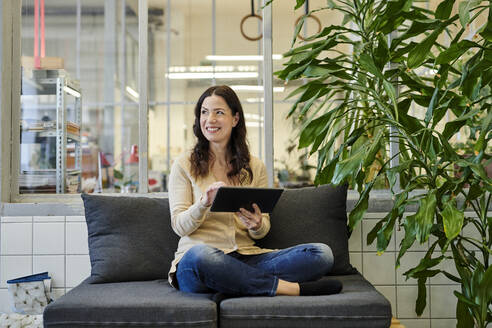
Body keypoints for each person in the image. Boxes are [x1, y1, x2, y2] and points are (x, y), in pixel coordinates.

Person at [168, 85, 342, 296]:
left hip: (247, 257)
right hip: (198, 262)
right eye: (204, 112)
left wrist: (257, 225)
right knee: (202, 256)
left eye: (219, 112)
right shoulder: (184, 164)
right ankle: (288, 288)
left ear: (235, 119)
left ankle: (235, 283)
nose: (210, 119)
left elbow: (262, 228)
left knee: (321, 254)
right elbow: (179, 226)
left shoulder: (254, 166)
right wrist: (203, 203)